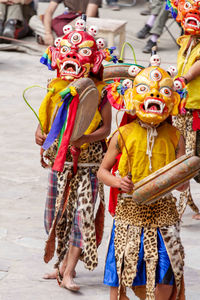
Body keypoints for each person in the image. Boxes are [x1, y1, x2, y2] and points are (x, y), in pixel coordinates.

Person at [97, 64, 188, 299]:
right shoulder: (123, 133)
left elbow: (182, 179)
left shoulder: (176, 137)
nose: (155, 97)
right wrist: (118, 183)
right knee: (121, 269)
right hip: (130, 209)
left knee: (168, 269)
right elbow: (102, 172)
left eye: (163, 93)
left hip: (164, 211)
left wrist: (182, 183)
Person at [35, 23, 112, 291]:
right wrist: (39, 133)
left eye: (78, 56)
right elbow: (45, 120)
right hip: (61, 163)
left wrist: (85, 139)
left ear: (91, 63)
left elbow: (105, 129)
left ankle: (69, 272)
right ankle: (59, 265)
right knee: (57, 217)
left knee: (82, 217)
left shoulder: (99, 92)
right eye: (67, 54)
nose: (71, 61)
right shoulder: (55, 89)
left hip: (89, 166)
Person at [167, 0, 200, 220]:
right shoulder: (187, 41)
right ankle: (182, 204)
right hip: (181, 108)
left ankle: (180, 209)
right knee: (180, 157)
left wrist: (185, 78)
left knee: (193, 158)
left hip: (196, 111)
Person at [29, 0, 102, 46]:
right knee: (33, 20)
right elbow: (49, 11)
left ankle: (59, 40)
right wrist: (48, 33)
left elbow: (88, 17)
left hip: (84, 23)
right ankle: (58, 40)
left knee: (83, 30)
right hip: (68, 20)